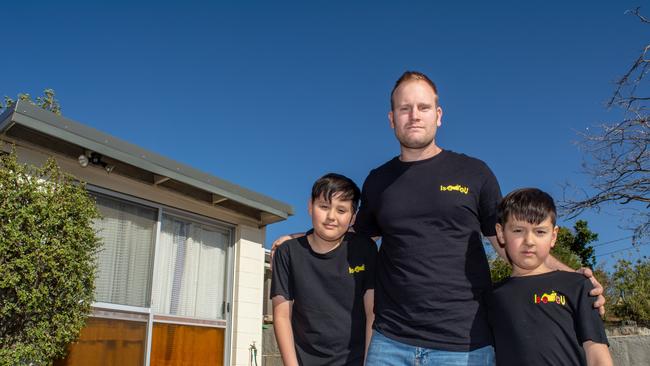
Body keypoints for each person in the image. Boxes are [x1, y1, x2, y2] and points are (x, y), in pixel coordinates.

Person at [273, 71, 604, 365]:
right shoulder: (378, 180)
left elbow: (513, 245)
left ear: (439, 115)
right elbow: (348, 232)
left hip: (466, 344)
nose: (414, 116)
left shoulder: (474, 173)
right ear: (391, 118)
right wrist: (297, 241)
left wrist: (574, 281)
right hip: (390, 342)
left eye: (423, 107)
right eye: (404, 108)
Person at [488, 188, 612, 366]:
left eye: (540, 232)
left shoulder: (577, 285)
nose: (529, 241)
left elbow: (597, 354)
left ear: (553, 236)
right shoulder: (491, 296)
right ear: (501, 233)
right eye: (517, 230)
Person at [270, 173, 377, 366]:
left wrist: (368, 362)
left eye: (341, 210)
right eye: (324, 206)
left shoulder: (365, 250)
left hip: (355, 360)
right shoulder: (288, 252)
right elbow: (282, 315)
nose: (331, 217)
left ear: (353, 217)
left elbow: (372, 312)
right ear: (311, 206)